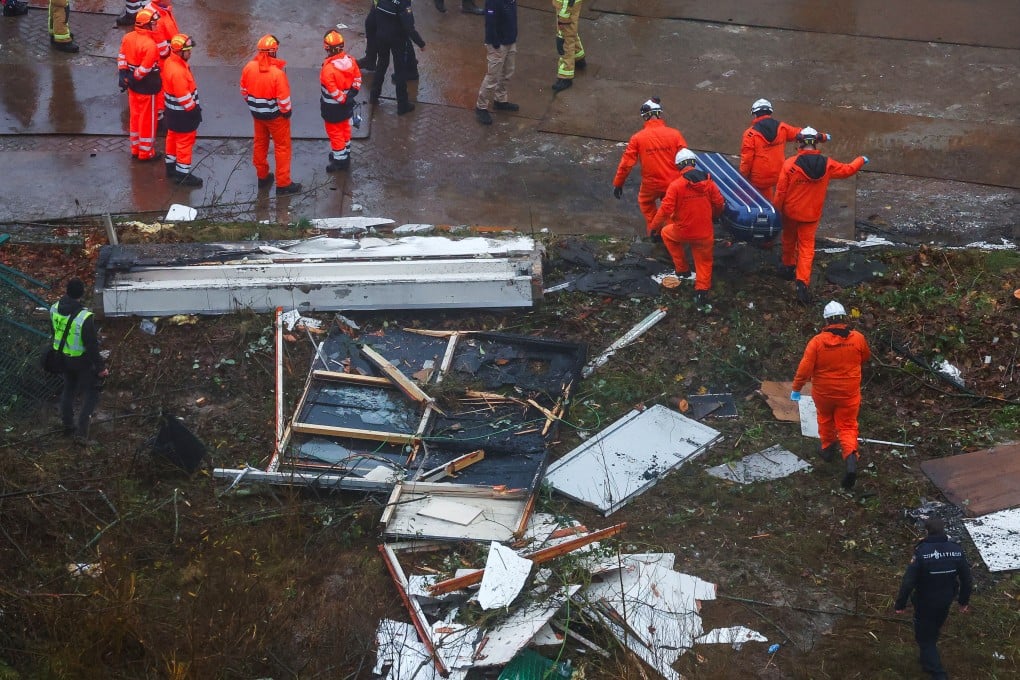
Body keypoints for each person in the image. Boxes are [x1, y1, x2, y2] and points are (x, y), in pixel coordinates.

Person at [773, 127, 868, 304]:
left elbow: (780, 192)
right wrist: (860, 160)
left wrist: (777, 210)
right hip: (810, 215)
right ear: (815, 143)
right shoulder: (827, 164)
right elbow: (848, 170)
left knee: (788, 239)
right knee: (806, 249)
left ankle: (787, 266)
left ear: (800, 143)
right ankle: (802, 282)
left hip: (791, 212)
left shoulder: (790, 165)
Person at [790, 300, 871, 489]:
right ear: (844, 318)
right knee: (847, 426)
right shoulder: (857, 338)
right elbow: (865, 356)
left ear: (826, 321)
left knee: (825, 418)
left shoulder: (817, 342)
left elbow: (804, 369)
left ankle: (827, 449)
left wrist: (796, 388)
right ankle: (850, 459)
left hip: (824, 393)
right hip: (849, 393)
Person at [894, 518, 973, 680]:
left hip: (924, 602)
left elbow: (908, 582)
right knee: (933, 630)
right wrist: (963, 601)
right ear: (944, 530)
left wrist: (900, 604)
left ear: (927, 531)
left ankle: (938, 673)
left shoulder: (921, 552)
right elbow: (967, 579)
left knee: (924, 639)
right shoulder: (956, 550)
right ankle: (926, 661)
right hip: (945, 601)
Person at [649, 149, 724, 308]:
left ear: (679, 166)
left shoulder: (676, 186)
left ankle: (682, 269)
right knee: (704, 261)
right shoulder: (709, 183)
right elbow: (719, 203)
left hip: (683, 231)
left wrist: (654, 228)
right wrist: (715, 216)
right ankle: (701, 292)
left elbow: (665, 210)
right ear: (694, 163)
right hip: (704, 233)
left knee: (666, 234)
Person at [612, 98, 687, 236]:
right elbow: (686, 159)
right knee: (671, 207)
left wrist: (618, 183)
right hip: (673, 182)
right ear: (659, 113)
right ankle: (670, 233)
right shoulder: (675, 134)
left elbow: (626, 164)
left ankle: (654, 231)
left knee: (646, 202)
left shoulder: (637, 138)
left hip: (651, 184)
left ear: (645, 116)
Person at [240, 34, 301, 194]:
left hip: (257, 116)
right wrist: (286, 112)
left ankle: (262, 176)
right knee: (282, 148)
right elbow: (284, 100)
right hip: (276, 118)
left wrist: (255, 106)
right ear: (273, 51)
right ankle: (283, 183)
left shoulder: (248, 68)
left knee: (260, 144)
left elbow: (244, 92)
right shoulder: (277, 74)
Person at [50, 277, 108, 446]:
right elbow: (91, 346)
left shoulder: (54, 308)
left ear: (67, 291)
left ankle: (68, 426)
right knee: (92, 393)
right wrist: (101, 368)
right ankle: (82, 434)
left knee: (69, 390)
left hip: (62, 357)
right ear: (82, 294)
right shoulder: (84, 317)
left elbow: (54, 332)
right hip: (81, 361)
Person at [739, 98, 822, 202]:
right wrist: (822, 136)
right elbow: (802, 134)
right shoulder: (782, 127)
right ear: (770, 112)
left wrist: (742, 178)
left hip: (759, 179)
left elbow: (746, 160)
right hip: (778, 175)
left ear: (755, 114)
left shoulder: (750, 134)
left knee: (753, 201)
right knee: (770, 200)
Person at [118, 8, 162, 161]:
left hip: (133, 88)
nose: (156, 26)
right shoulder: (150, 45)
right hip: (147, 87)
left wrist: (123, 74)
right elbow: (144, 69)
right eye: (154, 24)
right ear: (146, 26)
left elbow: (122, 56)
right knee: (148, 121)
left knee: (135, 118)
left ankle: (135, 149)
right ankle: (146, 153)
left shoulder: (128, 37)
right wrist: (132, 78)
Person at [370, 0, 426, 116]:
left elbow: (374, 14)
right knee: (400, 71)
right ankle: (402, 105)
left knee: (381, 64)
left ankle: (373, 96)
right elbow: (409, 27)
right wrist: (421, 43)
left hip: (381, 36)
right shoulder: (403, 2)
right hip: (398, 40)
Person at [162, 33, 202, 186]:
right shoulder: (178, 71)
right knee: (185, 143)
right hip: (183, 114)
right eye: (188, 50)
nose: (190, 52)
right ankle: (182, 174)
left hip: (172, 113)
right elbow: (184, 97)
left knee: (172, 137)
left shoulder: (170, 63)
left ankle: (171, 166)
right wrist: (194, 112)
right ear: (180, 51)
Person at [320, 30, 362, 172]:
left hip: (332, 108)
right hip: (347, 106)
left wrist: (343, 99)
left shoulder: (328, 69)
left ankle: (340, 161)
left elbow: (332, 90)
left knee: (335, 133)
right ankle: (345, 152)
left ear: (327, 48)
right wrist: (351, 95)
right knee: (345, 128)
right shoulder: (351, 60)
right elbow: (357, 79)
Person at [474, 0, 518, 126]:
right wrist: (495, 43)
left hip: (510, 41)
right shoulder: (493, 2)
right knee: (492, 76)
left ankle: (500, 100)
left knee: (508, 72)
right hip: (498, 45)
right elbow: (490, 22)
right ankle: (481, 107)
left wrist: (514, 36)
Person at [551, 0, 584, 92]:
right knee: (571, 33)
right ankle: (579, 59)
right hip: (568, 8)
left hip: (566, 10)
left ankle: (566, 77)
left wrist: (562, 18)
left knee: (565, 41)